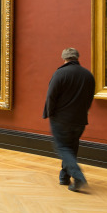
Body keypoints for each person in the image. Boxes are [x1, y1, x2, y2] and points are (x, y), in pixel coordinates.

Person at [43, 48, 95, 192]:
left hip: (61, 119)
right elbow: (89, 98)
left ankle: (78, 178)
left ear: (64, 58)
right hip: (80, 119)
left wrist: (50, 113)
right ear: (77, 57)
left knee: (63, 148)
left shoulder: (60, 73)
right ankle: (64, 177)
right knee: (71, 148)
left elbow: (51, 96)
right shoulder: (88, 75)